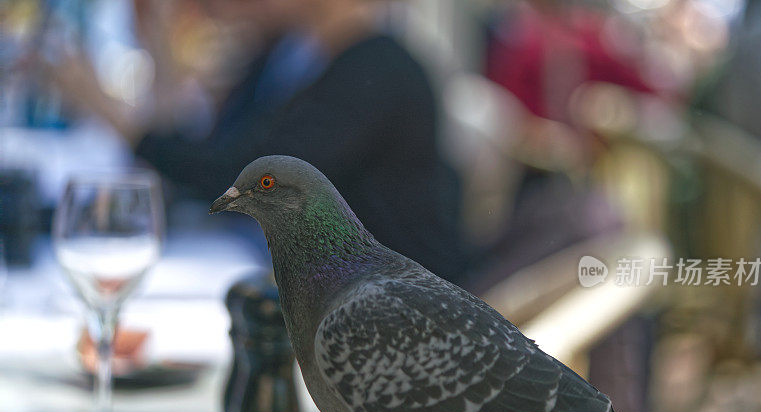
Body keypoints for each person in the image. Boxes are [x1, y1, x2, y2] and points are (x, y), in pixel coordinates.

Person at [42, 0, 472, 284]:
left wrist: (108, 112)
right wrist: (160, 43)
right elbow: (208, 151)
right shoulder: (291, 52)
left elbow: (241, 178)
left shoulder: (379, 69)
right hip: (308, 285)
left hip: (391, 304)